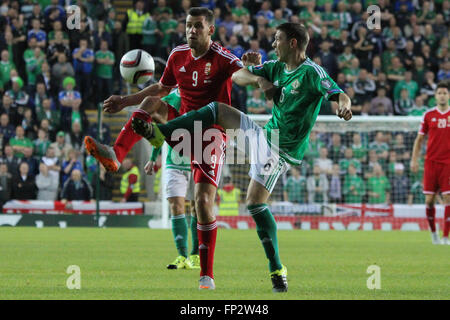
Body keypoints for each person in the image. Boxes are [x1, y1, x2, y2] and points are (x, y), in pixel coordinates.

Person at [132, 22, 352, 292]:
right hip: (264, 135)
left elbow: (339, 94)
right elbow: (238, 76)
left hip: (281, 150)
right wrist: (260, 79)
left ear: (293, 43)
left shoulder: (312, 73)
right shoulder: (277, 67)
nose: (273, 44)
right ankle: (162, 132)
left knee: (254, 204)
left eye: (278, 39)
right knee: (218, 109)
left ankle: (276, 268)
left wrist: (343, 105)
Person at [85, 7, 246, 290]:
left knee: (204, 204)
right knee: (150, 104)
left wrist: (254, 71)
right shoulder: (177, 55)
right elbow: (160, 87)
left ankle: (206, 275)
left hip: (211, 136)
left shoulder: (223, 58)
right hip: (181, 128)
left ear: (211, 30)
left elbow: (244, 76)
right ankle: (115, 154)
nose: (192, 30)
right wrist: (125, 100)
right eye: (188, 25)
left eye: (198, 26)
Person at [144, 90, 199, 270]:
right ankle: (182, 255)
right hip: (174, 161)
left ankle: (196, 255)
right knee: (176, 206)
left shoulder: (202, 93)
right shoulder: (168, 101)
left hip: (200, 158)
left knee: (200, 208)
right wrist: (153, 157)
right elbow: (161, 131)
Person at [411, 81, 450, 245]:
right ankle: (434, 233)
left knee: (448, 198)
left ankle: (446, 236)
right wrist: (414, 159)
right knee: (429, 200)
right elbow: (419, 140)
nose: (442, 96)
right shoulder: (428, 115)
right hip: (431, 163)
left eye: (444, 93)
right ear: (435, 96)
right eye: (439, 93)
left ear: (448, 95)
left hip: (448, 163)